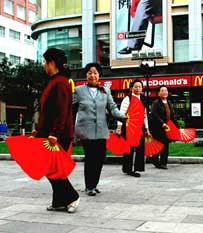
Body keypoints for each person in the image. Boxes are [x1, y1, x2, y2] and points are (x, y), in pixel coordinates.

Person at [34, 48, 79, 213]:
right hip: (51, 133)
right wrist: (39, 132)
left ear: (52, 62)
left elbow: (62, 112)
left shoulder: (60, 82)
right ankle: (59, 201)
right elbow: (48, 112)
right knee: (51, 169)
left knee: (54, 169)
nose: (44, 65)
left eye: (45, 62)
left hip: (58, 135)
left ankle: (72, 196)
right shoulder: (55, 81)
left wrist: (55, 133)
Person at [73, 63, 125, 196]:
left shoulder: (105, 91)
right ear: (86, 75)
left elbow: (112, 107)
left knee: (100, 158)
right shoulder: (79, 91)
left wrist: (121, 116)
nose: (93, 75)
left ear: (99, 75)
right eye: (90, 73)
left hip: (101, 130)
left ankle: (94, 184)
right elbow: (70, 109)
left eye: (95, 73)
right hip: (86, 130)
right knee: (91, 158)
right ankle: (89, 186)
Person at [116, 79, 150, 177]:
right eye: (136, 86)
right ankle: (128, 168)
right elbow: (121, 114)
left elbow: (145, 115)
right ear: (131, 88)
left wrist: (147, 128)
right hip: (129, 127)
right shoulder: (127, 99)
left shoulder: (143, 99)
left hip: (140, 127)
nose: (138, 88)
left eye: (140, 87)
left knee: (140, 148)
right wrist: (119, 127)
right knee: (129, 148)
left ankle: (137, 168)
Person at [149, 85, 175, 169]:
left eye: (166, 91)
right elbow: (154, 114)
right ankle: (156, 160)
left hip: (167, 127)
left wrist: (177, 126)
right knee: (160, 144)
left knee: (165, 144)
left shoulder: (169, 103)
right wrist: (162, 123)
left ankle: (162, 162)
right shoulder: (156, 103)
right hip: (158, 127)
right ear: (159, 93)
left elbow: (172, 116)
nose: (164, 92)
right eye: (162, 91)